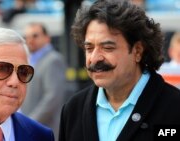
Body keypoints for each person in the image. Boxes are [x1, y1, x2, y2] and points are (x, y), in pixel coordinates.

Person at [59, 1, 180, 141]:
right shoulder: (73, 110)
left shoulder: (174, 108)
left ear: (137, 51)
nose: (95, 58)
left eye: (108, 48)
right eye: (89, 48)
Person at [21, 22, 67, 141]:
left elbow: (52, 97)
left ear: (47, 38)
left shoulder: (53, 60)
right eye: (27, 37)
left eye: (35, 36)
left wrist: (30, 122)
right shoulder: (29, 60)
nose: (30, 40)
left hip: (45, 128)